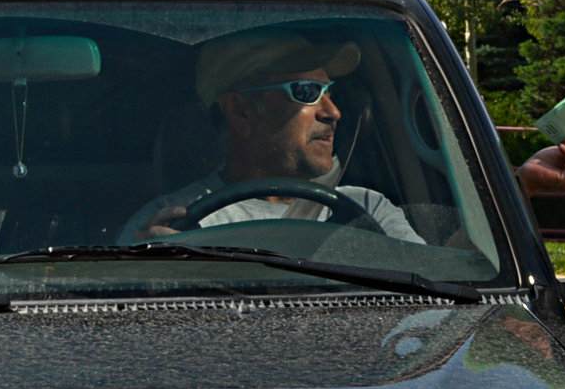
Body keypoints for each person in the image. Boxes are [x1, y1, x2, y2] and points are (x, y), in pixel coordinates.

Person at [121, 30, 425, 243]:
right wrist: (153, 270)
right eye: (307, 92)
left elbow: (435, 310)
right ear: (240, 112)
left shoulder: (368, 211)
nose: (333, 112)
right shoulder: (171, 225)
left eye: (330, 92)